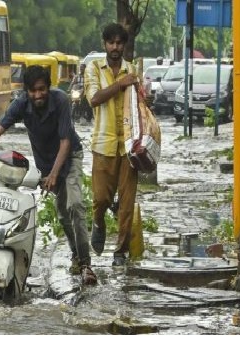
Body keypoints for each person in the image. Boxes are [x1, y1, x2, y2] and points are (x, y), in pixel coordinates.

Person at [0, 65, 97, 286]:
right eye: (33, 91)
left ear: (48, 88)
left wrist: (53, 174)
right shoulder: (21, 103)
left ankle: (86, 264)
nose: (38, 95)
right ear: (27, 91)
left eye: (41, 89)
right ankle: (75, 254)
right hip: (45, 163)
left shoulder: (60, 101)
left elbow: (65, 142)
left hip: (69, 158)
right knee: (62, 214)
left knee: (75, 205)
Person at [85, 23, 139, 267]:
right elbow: (95, 99)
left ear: (124, 45)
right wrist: (120, 84)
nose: (115, 47)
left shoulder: (133, 70)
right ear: (105, 44)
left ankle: (120, 252)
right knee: (101, 198)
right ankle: (98, 221)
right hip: (104, 144)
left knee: (127, 203)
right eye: (111, 43)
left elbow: (140, 103)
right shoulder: (94, 68)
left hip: (129, 146)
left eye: (119, 43)